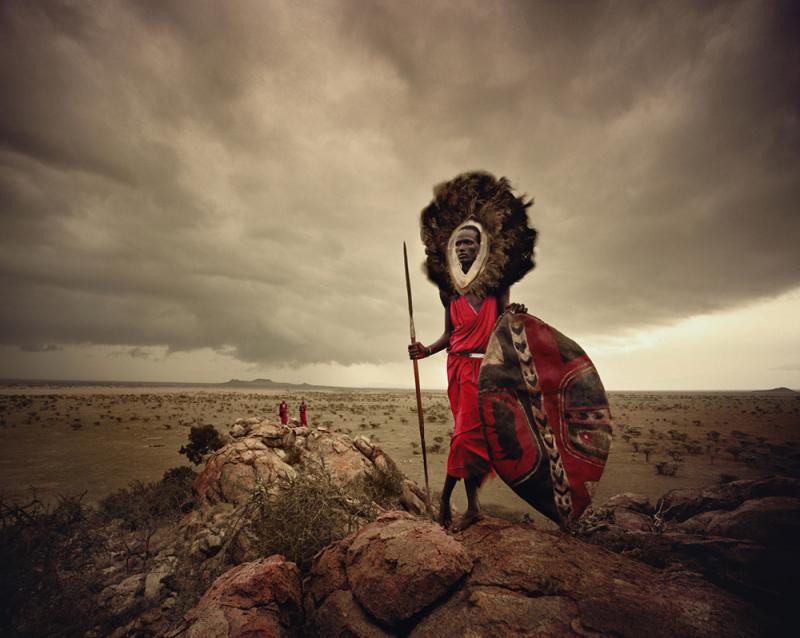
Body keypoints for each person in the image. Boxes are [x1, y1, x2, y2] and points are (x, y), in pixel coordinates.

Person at [408, 171, 536, 532]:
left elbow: (506, 324)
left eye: (470, 243)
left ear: (481, 248)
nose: (464, 248)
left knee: (472, 438)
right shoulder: (448, 292)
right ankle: (468, 506)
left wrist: (516, 314)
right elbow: (450, 334)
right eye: (459, 244)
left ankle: (452, 503)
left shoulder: (498, 287)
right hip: (458, 370)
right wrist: (425, 350)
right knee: (466, 435)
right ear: (452, 249)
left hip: (490, 372)